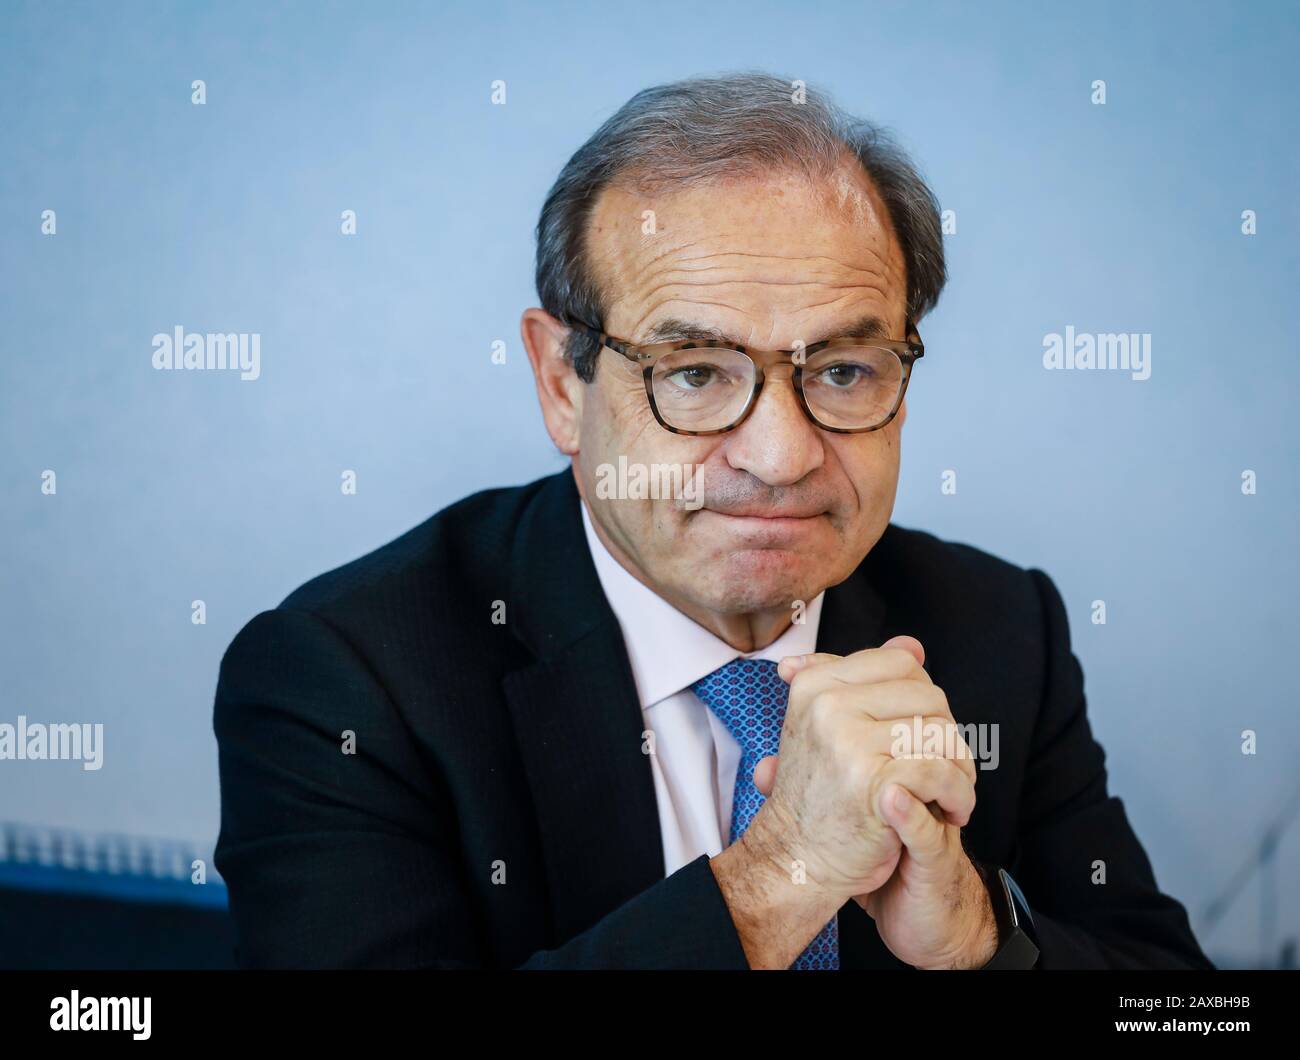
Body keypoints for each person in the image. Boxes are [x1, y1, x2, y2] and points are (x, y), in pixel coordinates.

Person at [213, 72, 1211, 970]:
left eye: (843, 371)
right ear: (563, 382)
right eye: (694, 373)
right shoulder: (343, 676)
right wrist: (784, 872)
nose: (779, 456)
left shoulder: (1000, 629)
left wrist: (980, 941)